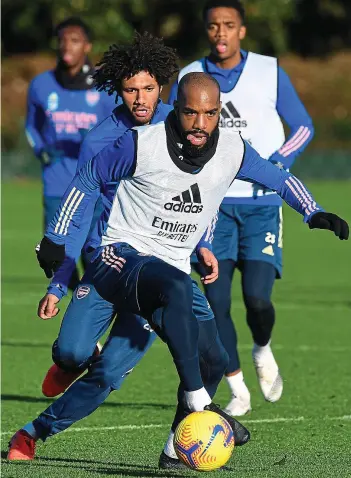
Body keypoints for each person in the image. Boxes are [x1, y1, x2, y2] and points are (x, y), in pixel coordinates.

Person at [8, 72, 348, 466]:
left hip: (169, 277)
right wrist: (58, 236)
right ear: (177, 109)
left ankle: (51, 435)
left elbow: (279, 178)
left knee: (207, 361)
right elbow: (88, 176)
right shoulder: (141, 143)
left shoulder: (234, 149)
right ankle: (200, 400)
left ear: (219, 112)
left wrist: (313, 211)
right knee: (75, 347)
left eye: (209, 114)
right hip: (119, 259)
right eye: (190, 113)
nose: (200, 124)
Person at [168, 0, 315, 415]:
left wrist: (278, 162)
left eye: (229, 25)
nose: (221, 33)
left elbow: (303, 126)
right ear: (206, 30)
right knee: (215, 304)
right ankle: (237, 390)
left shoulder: (269, 71)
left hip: (262, 204)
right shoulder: (188, 76)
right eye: (213, 26)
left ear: (242, 31)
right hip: (209, 208)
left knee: (257, 299)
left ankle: (263, 348)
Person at [38, 32, 179, 400]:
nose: (140, 98)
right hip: (106, 259)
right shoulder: (99, 140)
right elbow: (81, 214)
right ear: (118, 89)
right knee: (71, 352)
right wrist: (58, 283)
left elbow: (202, 192)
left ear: (160, 85)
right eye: (131, 89)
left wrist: (205, 245)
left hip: (158, 264)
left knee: (111, 372)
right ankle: (73, 359)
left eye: (148, 88)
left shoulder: (179, 130)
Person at [26, 16, 116, 288]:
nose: (67, 46)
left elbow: (119, 130)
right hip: (56, 184)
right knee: (57, 258)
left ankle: (94, 312)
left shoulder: (104, 88)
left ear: (87, 46)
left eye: (74, 40)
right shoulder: (41, 84)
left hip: (94, 186)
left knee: (94, 258)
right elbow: (32, 127)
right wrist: (42, 150)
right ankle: (76, 307)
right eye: (62, 40)